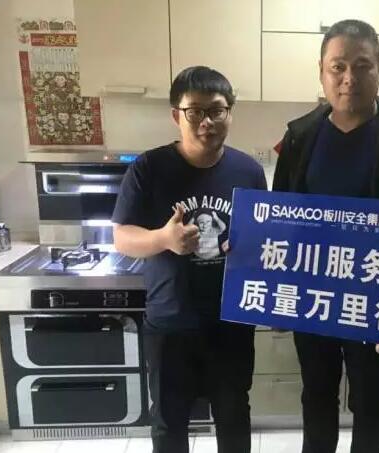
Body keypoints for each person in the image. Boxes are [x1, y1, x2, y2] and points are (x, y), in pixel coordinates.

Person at [273, 19, 379, 453]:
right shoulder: (300, 136)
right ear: (322, 71)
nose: (349, 78)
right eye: (338, 66)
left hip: (375, 298)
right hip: (312, 295)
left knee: (369, 397)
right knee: (316, 393)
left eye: (362, 65)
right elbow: (280, 220)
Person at [111, 66, 267, 453]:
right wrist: (163, 239)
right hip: (171, 323)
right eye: (195, 111)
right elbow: (122, 238)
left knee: (234, 417)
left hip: (231, 322)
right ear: (176, 115)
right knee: (169, 423)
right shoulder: (149, 168)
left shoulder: (248, 171)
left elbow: (261, 239)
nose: (206, 122)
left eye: (217, 110)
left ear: (229, 113)